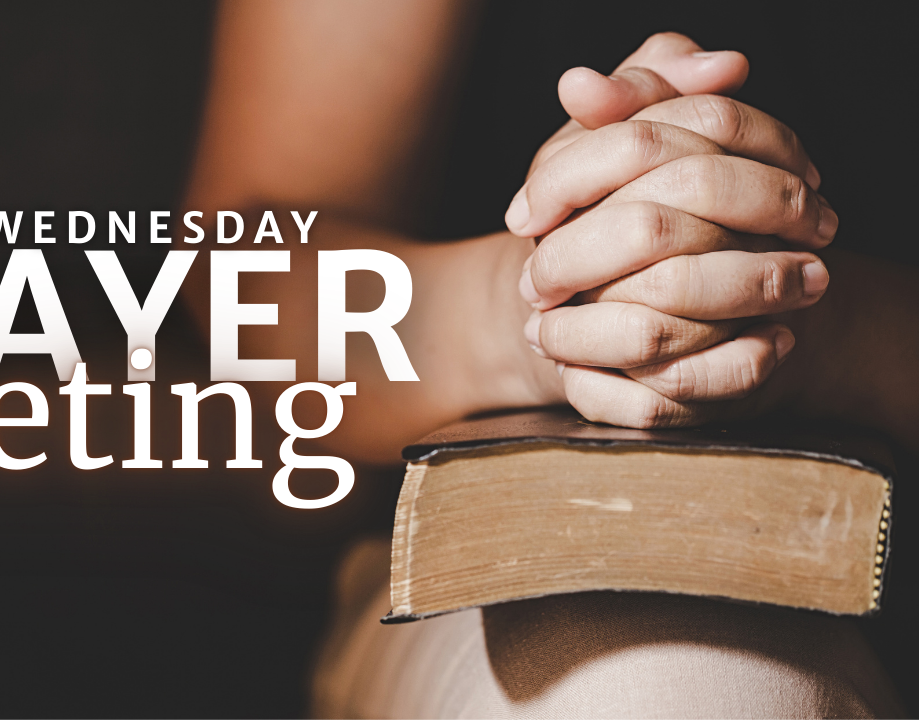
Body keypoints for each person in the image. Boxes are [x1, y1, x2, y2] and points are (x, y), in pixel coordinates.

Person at [181, 1, 918, 715]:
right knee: (670, 693)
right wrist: (545, 296)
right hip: (475, 569)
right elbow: (241, 273)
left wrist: (823, 324)